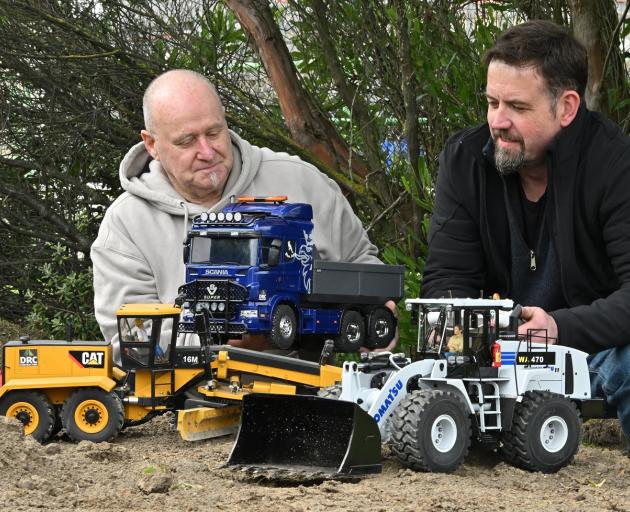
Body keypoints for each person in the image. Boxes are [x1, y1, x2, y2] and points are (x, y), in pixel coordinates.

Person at [421, 20, 630, 449]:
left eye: (517, 106)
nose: (498, 120)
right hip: (503, 356)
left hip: (597, 352)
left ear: (567, 107)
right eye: (492, 102)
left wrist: (559, 327)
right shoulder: (464, 161)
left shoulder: (615, 165)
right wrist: (480, 340)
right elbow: (446, 283)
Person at [91, 69, 396, 362]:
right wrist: (221, 342)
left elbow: (361, 262)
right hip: (192, 404)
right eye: (187, 141)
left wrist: (370, 321)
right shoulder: (126, 226)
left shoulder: (301, 182)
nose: (207, 151)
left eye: (214, 132)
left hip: (314, 393)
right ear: (152, 145)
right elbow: (133, 342)